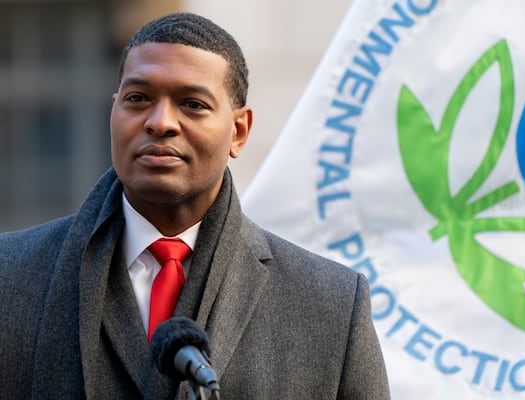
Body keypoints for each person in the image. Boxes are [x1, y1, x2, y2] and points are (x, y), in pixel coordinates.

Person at [0, 12, 390, 399]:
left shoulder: (331, 307)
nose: (160, 122)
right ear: (113, 111)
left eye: (192, 104)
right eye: (138, 99)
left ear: (238, 131)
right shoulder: (10, 278)